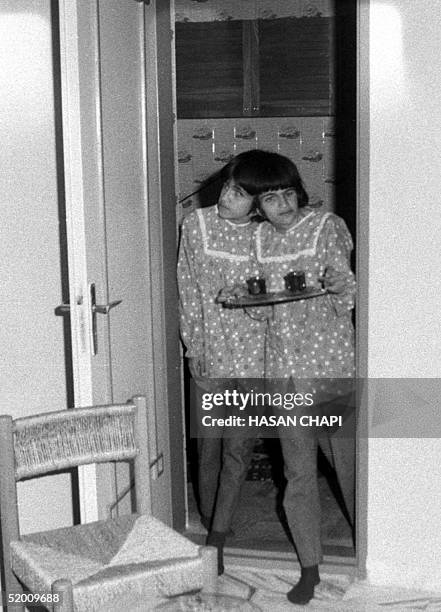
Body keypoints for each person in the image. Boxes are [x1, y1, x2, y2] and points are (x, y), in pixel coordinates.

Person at [234, 150, 355, 605]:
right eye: (268, 198)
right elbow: (254, 303)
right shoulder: (258, 240)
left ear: (299, 191)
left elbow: (345, 290)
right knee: (298, 474)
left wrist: (343, 286)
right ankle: (310, 567)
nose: (281, 204)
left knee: (350, 468)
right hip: (283, 373)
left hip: (330, 370)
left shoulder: (328, 226)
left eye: (286, 192)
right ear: (256, 205)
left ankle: (373, 548)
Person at [177, 151, 267, 574]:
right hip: (209, 351)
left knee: (238, 448)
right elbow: (188, 291)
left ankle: (217, 538)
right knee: (208, 447)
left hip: (253, 356)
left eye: (242, 194)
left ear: (258, 202)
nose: (228, 198)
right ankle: (211, 518)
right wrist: (194, 349)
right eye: (229, 187)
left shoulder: (267, 236)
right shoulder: (194, 225)